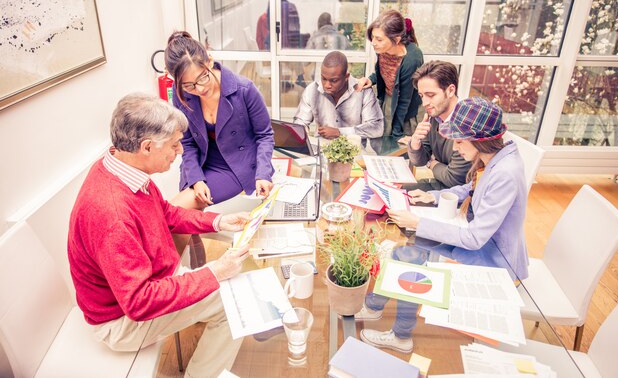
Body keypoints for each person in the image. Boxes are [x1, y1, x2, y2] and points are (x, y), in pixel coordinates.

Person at [68, 93, 252, 378]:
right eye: (174, 145)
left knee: (223, 285)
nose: (180, 151)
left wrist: (218, 221)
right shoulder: (112, 213)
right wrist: (215, 272)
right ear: (146, 147)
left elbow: (166, 213)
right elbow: (139, 302)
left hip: (145, 286)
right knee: (235, 302)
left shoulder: (121, 167)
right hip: (121, 321)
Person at [358, 97, 529, 353]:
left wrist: (419, 221)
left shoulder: (504, 173)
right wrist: (433, 196)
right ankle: (374, 306)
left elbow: (474, 239)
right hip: (481, 246)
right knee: (406, 247)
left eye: (460, 141)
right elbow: (471, 187)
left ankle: (401, 335)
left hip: (493, 262)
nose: (456, 147)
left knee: (409, 256)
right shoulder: (495, 157)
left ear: (479, 139)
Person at [165, 31, 275, 207]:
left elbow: (265, 135)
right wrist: (195, 179)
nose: (199, 89)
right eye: (189, 85)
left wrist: (263, 173)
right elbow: (187, 143)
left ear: (209, 60)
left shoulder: (244, 89)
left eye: (203, 77)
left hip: (235, 163)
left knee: (181, 209)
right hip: (201, 161)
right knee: (180, 217)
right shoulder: (182, 94)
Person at [355, 9, 424, 140]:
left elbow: (404, 100)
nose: (373, 42)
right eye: (373, 37)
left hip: (406, 111)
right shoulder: (383, 48)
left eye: (379, 39)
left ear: (396, 39)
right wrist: (371, 79)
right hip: (389, 101)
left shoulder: (412, 58)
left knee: (400, 150)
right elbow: (385, 71)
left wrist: (397, 134)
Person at [407, 60, 471, 191]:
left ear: (450, 91)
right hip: (440, 184)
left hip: (459, 195)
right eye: (421, 96)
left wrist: (431, 163)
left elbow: (454, 178)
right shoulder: (434, 116)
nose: (425, 102)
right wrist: (415, 142)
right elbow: (419, 161)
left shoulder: (467, 124)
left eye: (430, 95)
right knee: (394, 190)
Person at [294, 51, 383, 139]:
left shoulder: (363, 91)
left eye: (334, 80)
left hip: (353, 151)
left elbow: (376, 128)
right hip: (321, 150)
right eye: (324, 78)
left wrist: (339, 132)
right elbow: (300, 121)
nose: (327, 85)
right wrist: (302, 129)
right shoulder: (312, 90)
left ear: (346, 77)